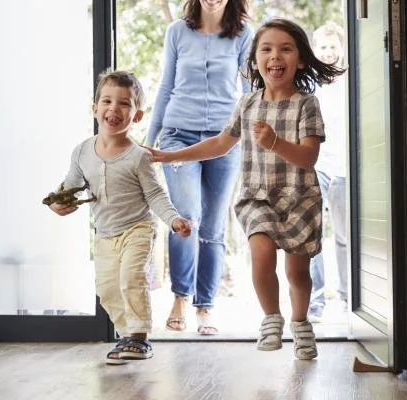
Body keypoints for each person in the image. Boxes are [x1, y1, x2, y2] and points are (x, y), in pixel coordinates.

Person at [148, 18, 346, 360]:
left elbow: (309, 156)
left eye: (285, 48)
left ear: (299, 59)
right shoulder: (248, 104)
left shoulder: (306, 103)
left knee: (297, 272)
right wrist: (170, 154)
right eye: (266, 49)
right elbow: (221, 144)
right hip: (257, 197)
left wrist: (275, 142)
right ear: (254, 61)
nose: (275, 56)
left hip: (299, 197)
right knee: (261, 256)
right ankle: (271, 318)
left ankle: (300, 323)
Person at [48, 70, 192, 365]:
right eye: (107, 101)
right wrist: (57, 202)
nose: (114, 108)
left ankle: (139, 337)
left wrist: (174, 220)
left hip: (137, 228)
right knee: (107, 288)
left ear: (137, 116)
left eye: (125, 104)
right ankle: (126, 333)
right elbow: (71, 185)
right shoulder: (81, 152)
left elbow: (155, 196)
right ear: (95, 109)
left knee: (131, 278)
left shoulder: (139, 156)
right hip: (104, 233)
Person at [145, 0, 253, 336]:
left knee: (214, 224)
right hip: (178, 135)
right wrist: (151, 141)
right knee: (186, 215)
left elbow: (250, 91)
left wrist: (250, 138)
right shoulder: (177, 31)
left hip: (226, 139)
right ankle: (180, 296)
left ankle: (205, 305)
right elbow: (165, 86)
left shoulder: (243, 34)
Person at [308, 21, 349, 322]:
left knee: (345, 236)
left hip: (345, 167)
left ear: (342, 48)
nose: (328, 52)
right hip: (317, 165)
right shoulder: (310, 86)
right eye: (323, 47)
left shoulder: (351, 81)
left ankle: (349, 298)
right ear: (315, 50)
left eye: (333, 46)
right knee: (314, 236)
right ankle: (316, 301)